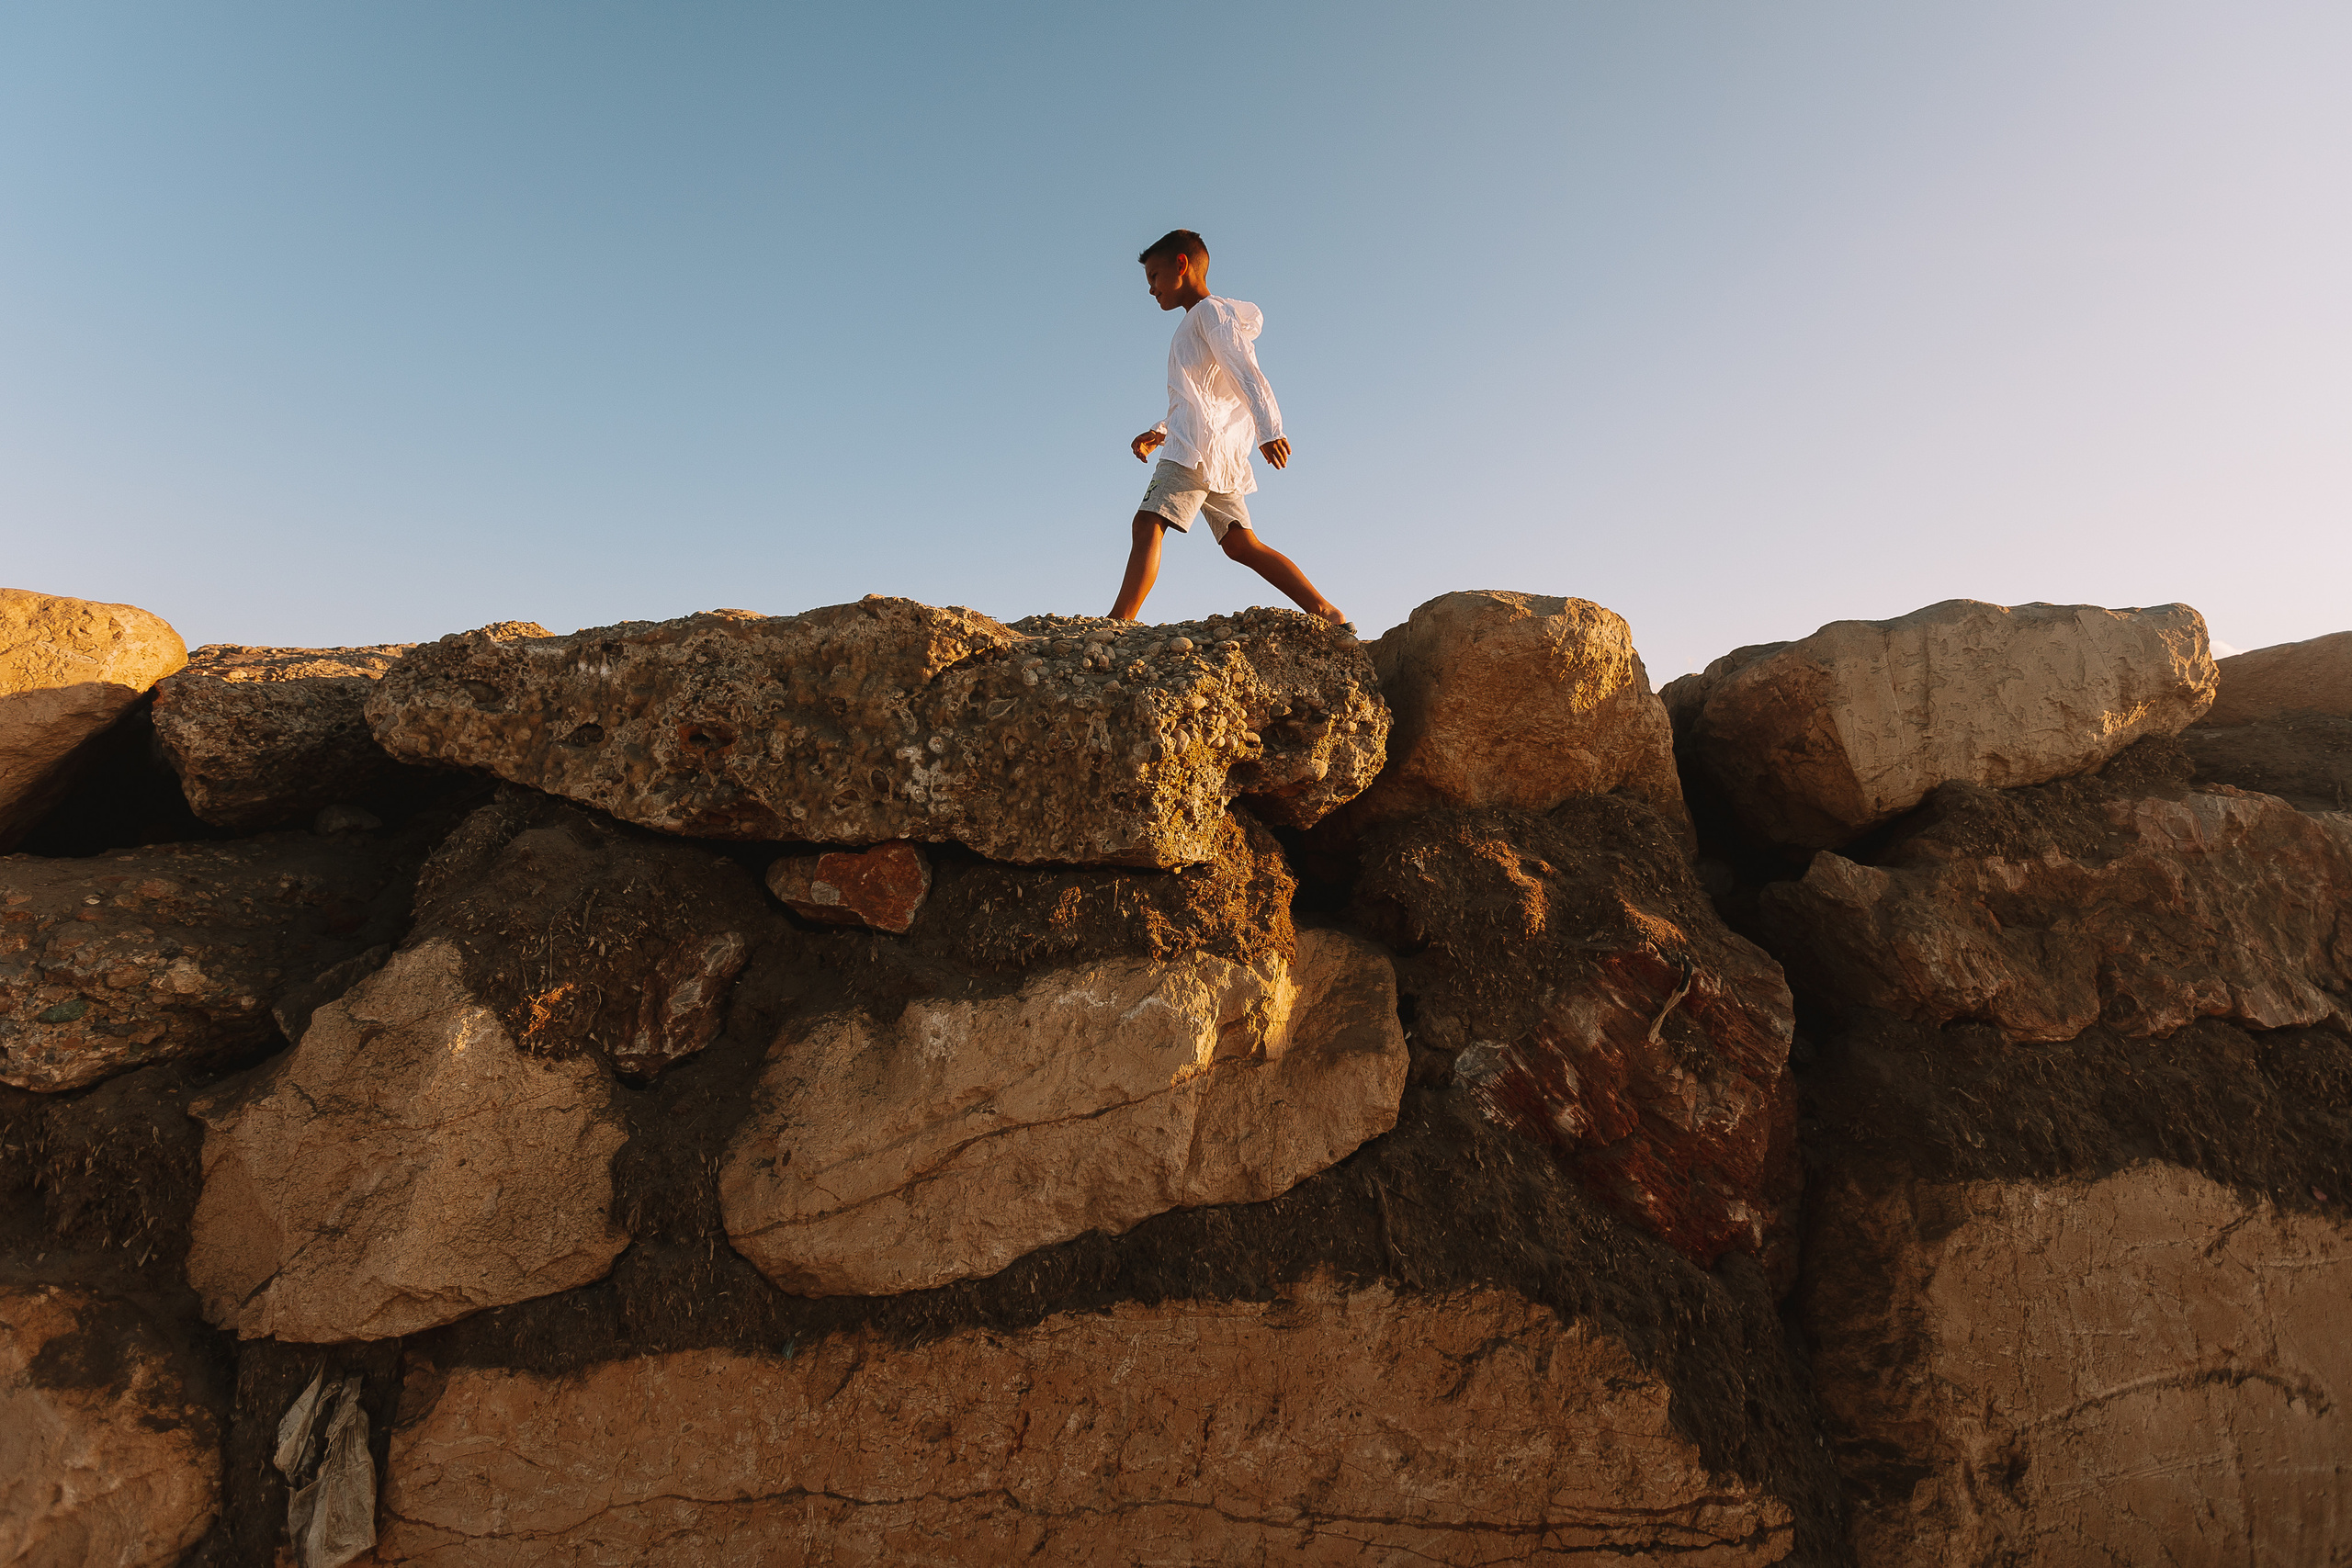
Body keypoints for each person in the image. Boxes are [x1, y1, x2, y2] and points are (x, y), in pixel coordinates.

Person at [1109, 230, 1348, 629]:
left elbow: (1246, 373)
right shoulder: (1201, 320)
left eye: (1153, 276)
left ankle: (1118, 622)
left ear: (1181, 265)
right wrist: (1160, 430)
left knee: (1147, 522)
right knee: (1241, 544)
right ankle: (1326, 611)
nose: (1150, 289)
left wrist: (1269, 427)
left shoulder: (1210, 314)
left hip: (1194, 450)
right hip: (1208, 448)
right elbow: (1204, 398)